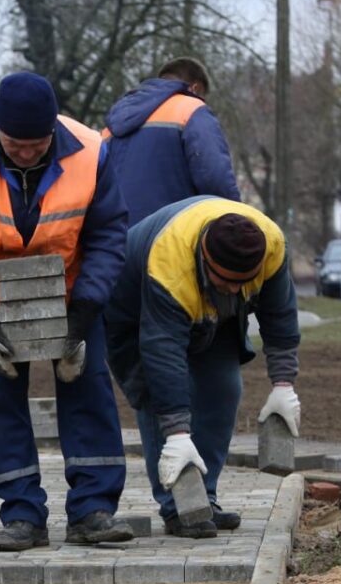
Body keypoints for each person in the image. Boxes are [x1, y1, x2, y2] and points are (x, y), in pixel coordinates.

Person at [0, 71, 132, 551]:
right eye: (14, 145)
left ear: (53, 131)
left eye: (36, 144)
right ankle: (21, 514)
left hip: (74, 292)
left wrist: (84, 313)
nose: (25, 153)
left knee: (88, 393)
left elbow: (108, 235)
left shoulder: (89, 151)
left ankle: (92, 511)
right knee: (1, 401)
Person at [103, 196, 301, 537]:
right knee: (158, 396)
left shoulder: (270, 246)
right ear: (204, 260)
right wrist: (178, 434)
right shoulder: (171, 265)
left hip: (213, 315)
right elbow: (163, 356)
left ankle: (204, 498)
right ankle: (177, 507)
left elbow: (279, 316)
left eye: (244, 282)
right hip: (133, 311)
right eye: (227, 281)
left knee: (224, 388)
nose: (236, 289)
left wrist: (284, 384)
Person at [102, 56, 241, 225]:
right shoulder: (191, 108)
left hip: (114, 239)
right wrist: (237, 220)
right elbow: (214, 176)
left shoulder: (110, 126)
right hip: (168, 236)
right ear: (195, 88)